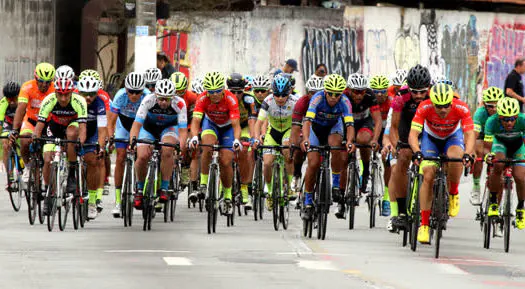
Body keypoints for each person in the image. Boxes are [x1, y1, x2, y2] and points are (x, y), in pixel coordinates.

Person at [409, 83, 475, 244]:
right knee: (428, 174)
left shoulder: (461, 107)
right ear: (432, 103)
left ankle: (453, 192)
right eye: (439, 106)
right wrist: (417, 151)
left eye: (446, 106)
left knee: (456, 156)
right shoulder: (424, 107)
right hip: (431, 139)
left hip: (452, 137)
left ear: (451, 102)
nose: (443, 110)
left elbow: (469, 134)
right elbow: (413, 134)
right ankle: (424, 224)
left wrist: (467, 153)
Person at [383, 64, 430, 232]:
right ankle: (401, 212)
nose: (418, 95)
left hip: (426, 128)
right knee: (402, 159)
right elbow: (394, 127)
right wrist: (397, 147)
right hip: (405, 126)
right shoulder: (400, 97)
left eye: (422, 92)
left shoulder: (433, 96)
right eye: (414, 91)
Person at [300, 74, 354, 220]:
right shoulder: (317, 98)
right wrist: (305, 139)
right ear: (325, 91)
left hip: (333, 128)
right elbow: (307, 121)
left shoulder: (344, 101)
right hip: (315, 128)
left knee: (336, 146)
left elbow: (349, 125)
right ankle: (308, 201)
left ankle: (335, 185)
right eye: (330, 93)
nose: (333, 97)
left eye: (337, 94)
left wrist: (349, 141)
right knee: (313, 163)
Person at [189, 71, 242, 215]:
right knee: (206, 146)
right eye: (211, 92)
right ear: (207, 91)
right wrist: (194, 137)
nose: (215, 95)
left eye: (218, 91)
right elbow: (196, 121)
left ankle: (228, 196)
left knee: (226, 161)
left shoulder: (231, 99)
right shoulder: (202, 98)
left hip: (227, 128)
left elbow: (236, 125)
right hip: (210, 124)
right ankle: (204, 184)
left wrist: (237, 140)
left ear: (223, 89)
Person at [33, 78, 87, 215]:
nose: (63, 98)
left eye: (66, 94)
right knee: (47, 160)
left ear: (72, 92)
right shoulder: (49, 100)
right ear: (55, 92)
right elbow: (39, 126)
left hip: (72, 126)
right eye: (60, 94)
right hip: (55, 127)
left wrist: (80, 141)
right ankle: (49, 193)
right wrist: (36, 139)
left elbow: (82, 128)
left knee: (71, 134)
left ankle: (71, 175)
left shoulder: (79, 101)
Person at [130, 79, 188, 208]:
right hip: (149, 129)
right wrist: (132, 142)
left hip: (169, 129)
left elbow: (183, 131)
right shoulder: (148, 100)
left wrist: (180, 149)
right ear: (156, 95)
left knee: (167, 150)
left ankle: (164, 188)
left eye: (167, 99)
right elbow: (137, 125)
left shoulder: (179, 104)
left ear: (173, 97)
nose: (163, 102)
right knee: (142, 156)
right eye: (161, 98)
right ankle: (139, 190)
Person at [253, 75, 298, 210]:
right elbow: (259, 122)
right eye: (277, 95)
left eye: (283, 95)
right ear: (272, 92)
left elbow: (300, 122)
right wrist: (256, 138)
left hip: (288, 131)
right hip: (273, 131)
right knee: (267, 162)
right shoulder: (268, 101)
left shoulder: (295, 101)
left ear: (289, 92)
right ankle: (270, 191)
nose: (280, 98)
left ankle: (289, 187)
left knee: (286, 151)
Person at [108, 72, 150, 216]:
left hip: (141, 125)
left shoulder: (148, 96)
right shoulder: (120, 96)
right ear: (125, 89)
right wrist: (110, 138)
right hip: (123, 126)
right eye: (130, 91)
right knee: (120, 157)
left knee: (142, 155)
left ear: (142, 90)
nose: (133, 95)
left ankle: (142, 188)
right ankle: (119, 200)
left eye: (137, 92)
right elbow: (111, 121)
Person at [11, 63, 56, 188]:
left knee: (49, 150)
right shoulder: (27, 87)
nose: (44, 85)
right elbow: (21, 109)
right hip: (31, 121)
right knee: (24, 140)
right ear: (36, 78)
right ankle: (27, 166)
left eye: (48, 82)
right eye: (41, 81)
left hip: (48, 123)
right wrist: (15, 129)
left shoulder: (55, 89)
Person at [484, 97, 525, 230]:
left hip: (518, 146)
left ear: (517, 116)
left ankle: (520, 208)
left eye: (513, 119)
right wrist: (488, 155)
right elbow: (487, 146)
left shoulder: (523, 120)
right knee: (498, 164)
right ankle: (494, 201)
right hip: (500, 143)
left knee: (520, 176)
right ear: (499, 117)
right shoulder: (491, 121)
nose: (509, 122)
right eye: (505, 119)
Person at [346, 73, 382, 197]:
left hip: (364, 121)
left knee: (363, 139)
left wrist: (375, 140)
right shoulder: (344, 94)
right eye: (356, 92)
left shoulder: (370, 95)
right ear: (350, 90)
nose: (359, 95)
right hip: (346, 121)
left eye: (362, 92)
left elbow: (378, 120)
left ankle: (366, 171)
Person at [77, 76, 107, 219]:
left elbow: (102, 130)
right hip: (76, 131)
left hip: (92, 133)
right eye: (84, 94)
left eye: (92, 94)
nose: (88, 97)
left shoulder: (99, 103)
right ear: (78, 92)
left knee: (92, 160)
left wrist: (100, 147)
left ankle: (92, 202)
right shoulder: (73, 101)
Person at [226, 73, 257, 209]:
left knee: (244, 151)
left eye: (239, 92)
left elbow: (251, 121)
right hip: (228, 127)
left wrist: (252, 138)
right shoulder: (224, 99)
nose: (236, 95)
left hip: (244, 127)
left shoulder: (249, 100)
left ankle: (244, 188)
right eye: (233, 92)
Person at [470, 87, 504, 206]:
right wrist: (471, 150)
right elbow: (474, 135)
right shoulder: (480, 114)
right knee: (478, 151)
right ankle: (476, 186)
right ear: (484, 105)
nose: (494, 109)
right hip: (483, 136)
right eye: (490, 106)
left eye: (497, 106)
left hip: (499, 137)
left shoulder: (506, 112)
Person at [291, 75, 324, 194]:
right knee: (299, 147)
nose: (315, 96)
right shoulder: (302, 102)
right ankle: (297, 174)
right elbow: (295, 126)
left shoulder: (327, 101)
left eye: (318, 92)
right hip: (306, 128)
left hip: (321, 129)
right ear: (307, 92)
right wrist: (293, 145)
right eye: (312, 92)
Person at [170, 72, 199, 198]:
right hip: (171, 123)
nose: (178, 95)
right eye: (175, 92)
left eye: (181, 92)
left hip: (186, 124)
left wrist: (192, 133)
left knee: (187, 145)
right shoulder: (166, 96)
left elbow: (196, 116)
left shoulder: (192, 97)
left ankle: (186, 168)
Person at [369, 75, 392, 216]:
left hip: (387, 131)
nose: (379, 94)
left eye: (382, 91)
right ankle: (363, 173)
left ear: (387, 92)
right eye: (375, 91)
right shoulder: (369, 101)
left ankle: (386, 199)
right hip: (372, 129)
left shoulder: (391, 103)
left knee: (387, 161)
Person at [0, 82, 20, 174]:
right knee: (5, 144)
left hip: (21, 124)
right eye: (9, 98)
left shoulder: (23, 101)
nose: (11, 101)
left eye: (14, 98)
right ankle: (9, 174)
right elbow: (0, 121)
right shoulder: (3, 102)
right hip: (8, 125)